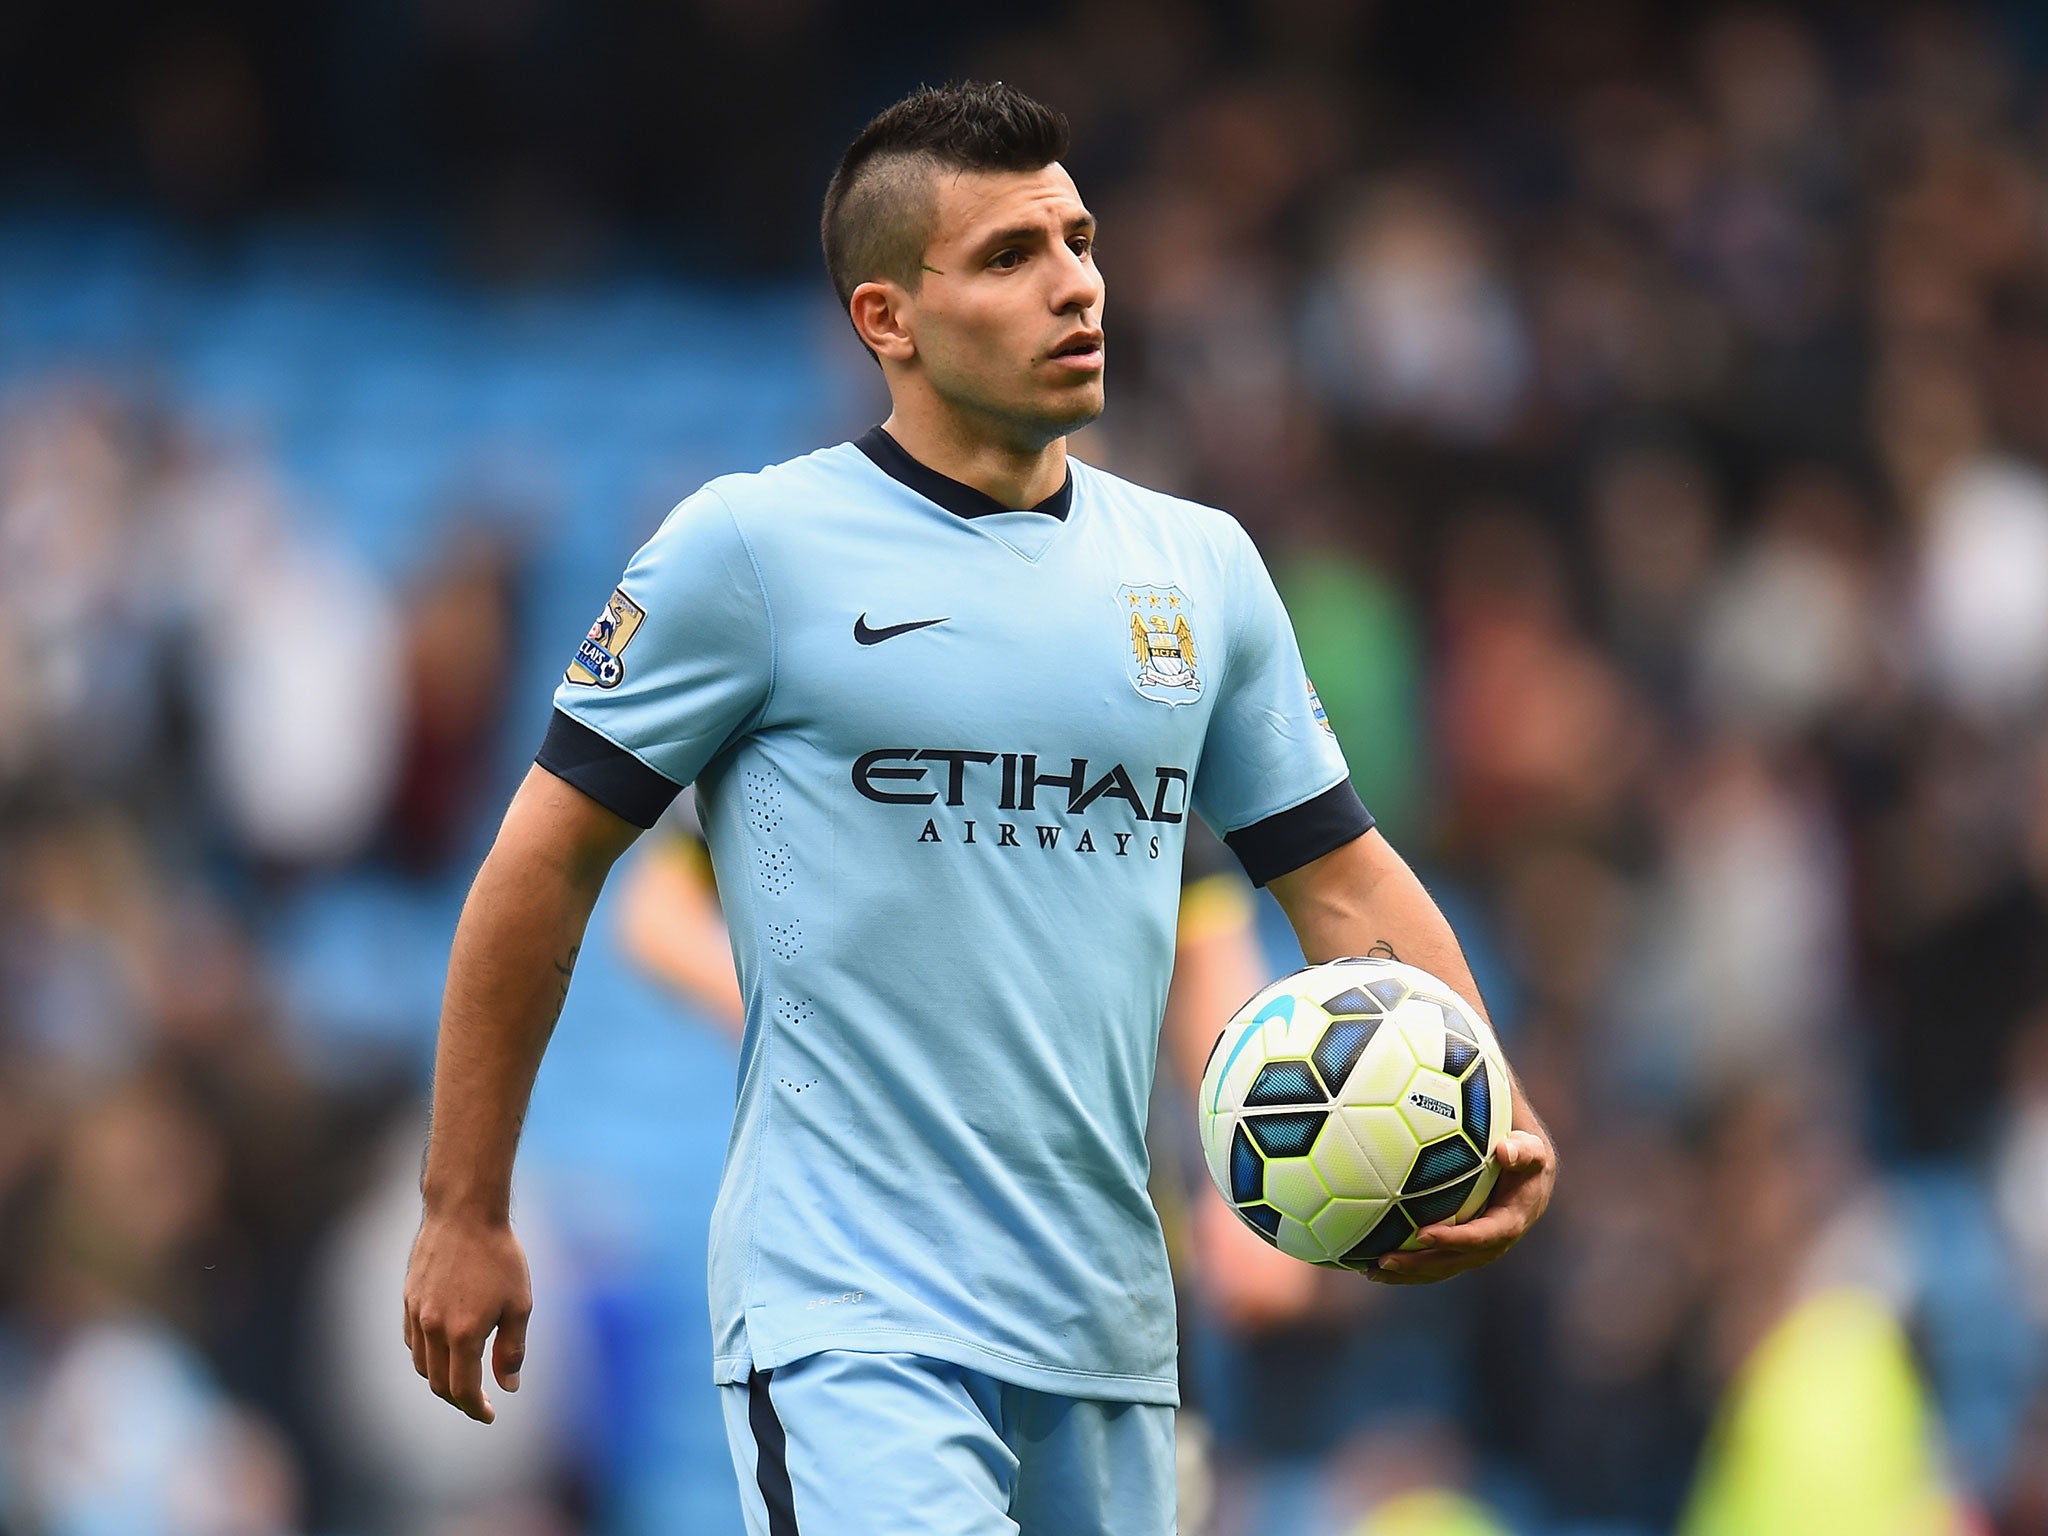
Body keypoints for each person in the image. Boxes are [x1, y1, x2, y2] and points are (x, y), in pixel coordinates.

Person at [403, 81, 1557, 1536]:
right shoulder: (750, 550)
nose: (1076, 282)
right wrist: (463, 1205)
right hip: (849, 1319)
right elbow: (544, 869)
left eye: (1079, 239)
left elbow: (1342, 883)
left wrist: (1493, 1104)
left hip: (1109, 1328)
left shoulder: (1199, 573)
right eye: (1011, 256)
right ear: (887, 317)